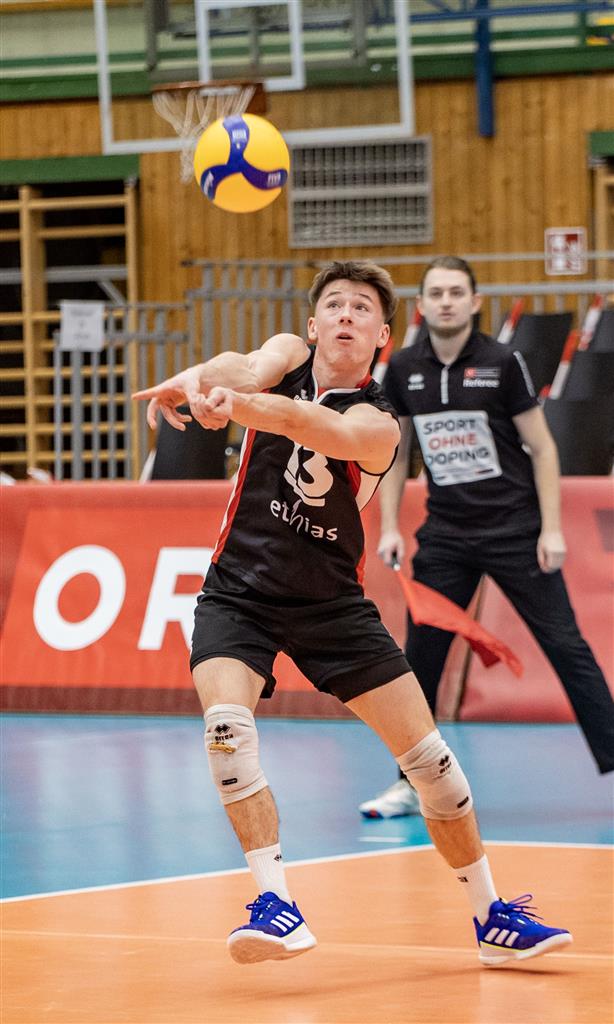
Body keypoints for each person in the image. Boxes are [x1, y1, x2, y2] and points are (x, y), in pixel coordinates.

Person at [133, 259, 570, 967]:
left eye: (362, 309)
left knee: (431, 765)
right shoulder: (285, 356)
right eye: (334, 304)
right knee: (226, 730)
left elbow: (303, 421)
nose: (345, 315)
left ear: (382, 338)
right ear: (313, 325)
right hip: (238, 592)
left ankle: (491, 915)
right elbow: (243, 366)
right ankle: (275, 903)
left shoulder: (378, 423)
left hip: (332, 604)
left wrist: (227, 402)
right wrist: (201, 380)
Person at [359, 255, 614, 821]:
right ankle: (411, 783)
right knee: (419, 660)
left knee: (567, 647)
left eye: (457, 292)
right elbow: (397, 453)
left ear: (474, 302)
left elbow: (543, 448)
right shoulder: (403, 369)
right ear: (422, 305)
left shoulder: (502, 363)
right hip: (446, 537)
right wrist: (392, 526)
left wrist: (551, 529)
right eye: (436, 293)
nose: (446, 302)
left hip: (515, 531)